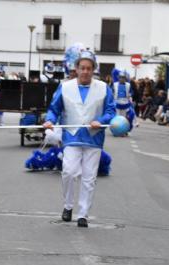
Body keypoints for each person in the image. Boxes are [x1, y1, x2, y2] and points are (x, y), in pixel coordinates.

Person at [43, 48, 116, 228]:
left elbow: (110, 111)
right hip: (72, 136)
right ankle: (68, 205)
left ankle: (83, 214)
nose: (85, 71)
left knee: (89, 177)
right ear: (76, 69)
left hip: (94, 138)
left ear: (93, 70)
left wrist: (101, 121)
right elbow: (54, 108)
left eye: (89, 68)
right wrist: (50, 120)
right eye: (82, 68)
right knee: (68, 171)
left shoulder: (104, 88)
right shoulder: (65, 87)